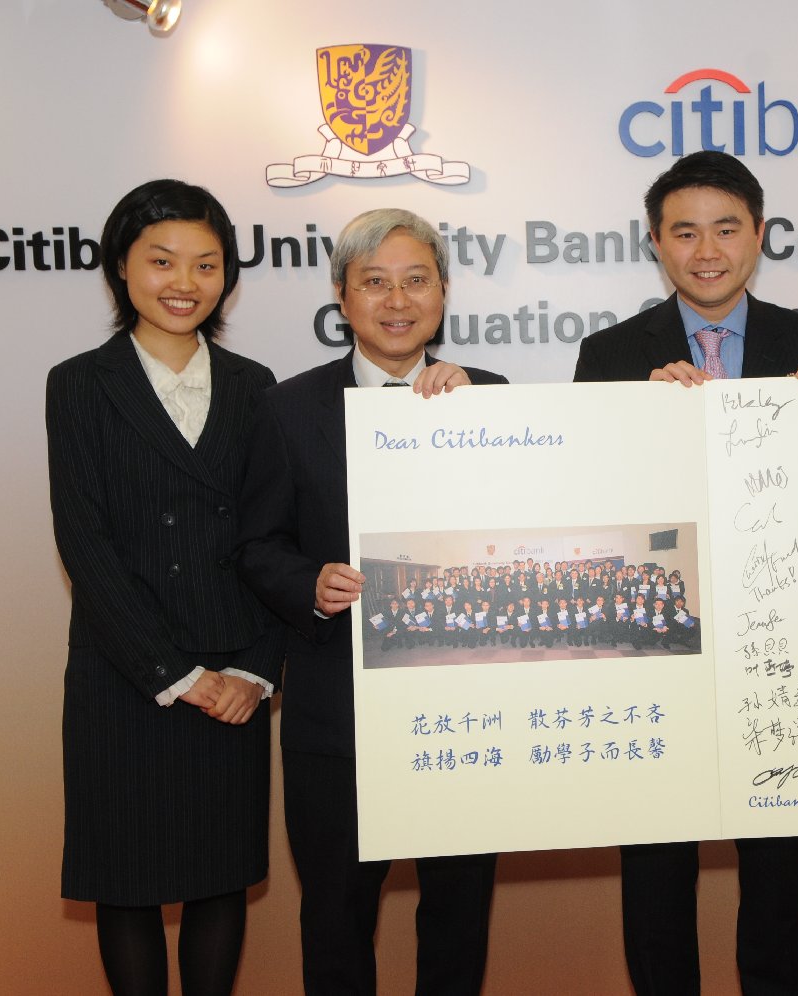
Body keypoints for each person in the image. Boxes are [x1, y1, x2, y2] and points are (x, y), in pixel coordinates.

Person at [574, 149, 798, 996]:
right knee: (656, 868)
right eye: (684, 231)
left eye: (726, 228)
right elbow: (592, 513)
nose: (706, 249)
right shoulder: (611, 355)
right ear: (655, 243)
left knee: (777, 870)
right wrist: (640, 424)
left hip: (780, 652)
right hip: (658, 650)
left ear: (759, 235)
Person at [236, 208, 506, 995]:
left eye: (416, 280)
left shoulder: (489, 397)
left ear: (444, 293)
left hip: (462, 715)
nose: (397, 300)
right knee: (337, 920)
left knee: (457, 916)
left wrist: (474, 425)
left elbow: (522, 532)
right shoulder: (287, 408)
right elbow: (256, 545)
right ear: (342, 298)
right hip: (336, 720)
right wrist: (309, 587)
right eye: (375, 282)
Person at [46, 178, 282, 996]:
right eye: (161, 261)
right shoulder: (79, 383)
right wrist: (175, 676)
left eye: (206, 264)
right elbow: (86, 543)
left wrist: (253, 673)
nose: (184, 282)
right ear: (120, 267)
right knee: (129, 886)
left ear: (228, 277)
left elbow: (275, 541)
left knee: (220, 881)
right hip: (127, 677)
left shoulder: (256, 386)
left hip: (234, 684)